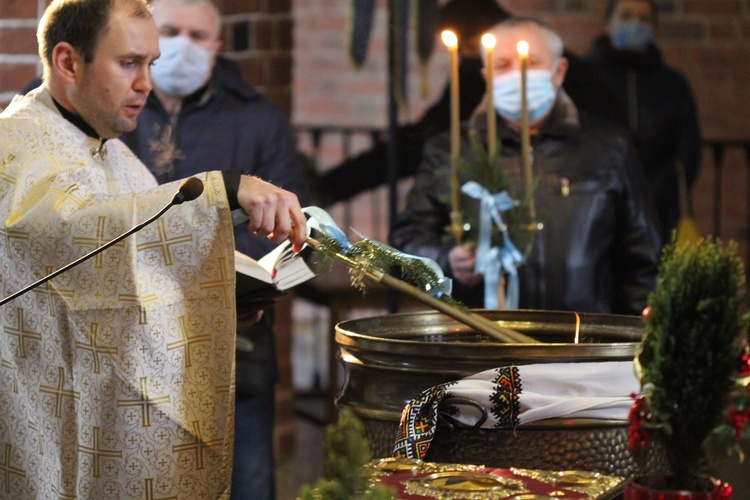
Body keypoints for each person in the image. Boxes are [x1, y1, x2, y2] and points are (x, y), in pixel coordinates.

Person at [0, 0, 306, 498]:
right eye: (129, 63)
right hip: (43, 414)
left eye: (150, 64)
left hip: (104, 413)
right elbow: (71, 230)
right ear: (68, 61)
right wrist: (224, 187)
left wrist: (220, 295)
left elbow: (135, 265)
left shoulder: (116, 154)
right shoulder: (14, 143)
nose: (146, 83)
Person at [118, 1, 307, 498]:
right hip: (126, 338)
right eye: (171, 33)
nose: (184, 46)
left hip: (233, 343)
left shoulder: (258, 118)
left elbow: (291, 231)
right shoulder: (115, 103)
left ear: (218, 45)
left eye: (198, 36)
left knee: (245, 479)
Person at [390, 17, 662, 315]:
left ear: (559, 72)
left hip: (582, 341)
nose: (517, 75)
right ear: (486, 76)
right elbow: (407, 243)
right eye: (502, 65)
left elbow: (642, 257)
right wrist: (446, 260)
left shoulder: (608, 148)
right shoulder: (452, 152)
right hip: (480, 341)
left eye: (530, 62)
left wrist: (632, 340)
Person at [311, 0, 625, 207]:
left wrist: (331, 186)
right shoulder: (473, 80)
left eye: (469, 48)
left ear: (558, 72)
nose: (465, 59)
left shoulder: (591, 121)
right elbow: (425, 138)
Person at [585, 0, 701, 244]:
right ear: (608, 24)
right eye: (626, 16)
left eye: (644, 18)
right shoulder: (585, 78)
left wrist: (653, 190)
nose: (635, 23)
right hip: (596, 205)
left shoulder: (672, 84)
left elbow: (688, 151)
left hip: (659, 212)